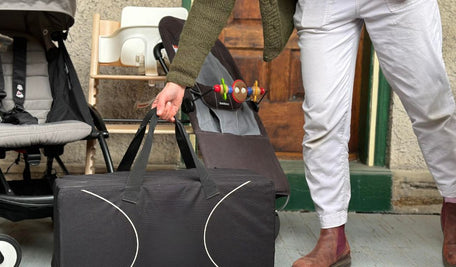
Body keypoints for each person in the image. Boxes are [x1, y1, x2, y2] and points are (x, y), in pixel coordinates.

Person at [152, 0, 456, 266]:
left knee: (433, 108)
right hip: (324, 7)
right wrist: (179, 79)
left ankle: (453, 204)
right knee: (322, 122)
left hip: (394, 5)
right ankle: (332, 234)